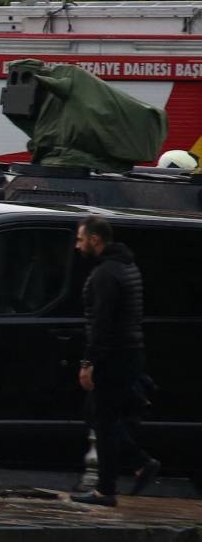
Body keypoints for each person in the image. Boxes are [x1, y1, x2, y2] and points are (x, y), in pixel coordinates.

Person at [70, 216, 160, 507]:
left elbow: (101, 323)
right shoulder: (126, 265)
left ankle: (106, 489)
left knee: (103, 420)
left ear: (95, 239)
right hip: (129, 352)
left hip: (113, 355)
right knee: (97, 414)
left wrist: (88, 363)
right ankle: (138, 462)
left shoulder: (106, 274)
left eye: (81, 239)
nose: (77, 246)